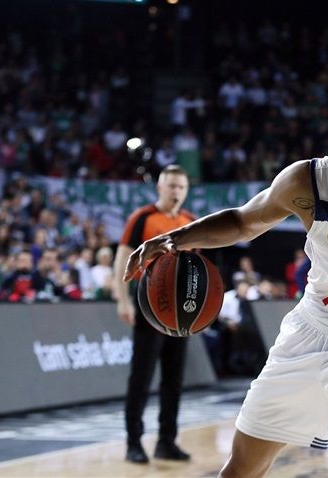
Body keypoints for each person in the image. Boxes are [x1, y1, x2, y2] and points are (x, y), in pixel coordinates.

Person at [123, 84, 328, 478]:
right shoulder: (308, 181)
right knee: (241, 469)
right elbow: (244, 221)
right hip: (312, 332)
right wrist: (174, 239)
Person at [113, 165, 195, 464]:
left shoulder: (190, 222)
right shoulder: (143, 218)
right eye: (171, 186)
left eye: (181, 187)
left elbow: (197, 268)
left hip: (180, 308)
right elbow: (123, 258)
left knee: (174, 378)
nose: (176, 192)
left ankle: (166, 442)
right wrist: (122, 299)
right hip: (149, 302)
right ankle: (133, 442)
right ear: (160, 188)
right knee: (142, 375)